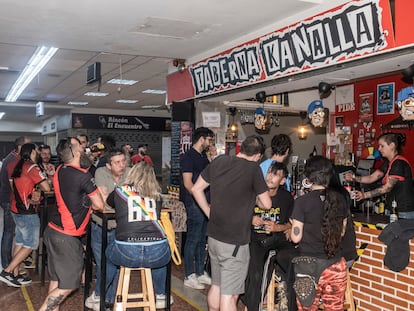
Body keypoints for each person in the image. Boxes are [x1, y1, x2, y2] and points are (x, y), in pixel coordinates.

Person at [191, 135, 272, 311]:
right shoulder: (253, 169)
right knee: (230, 295)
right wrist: (255, 198)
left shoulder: (219, 161)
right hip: (234, 243)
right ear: (258, 156)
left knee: (217, 285)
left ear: (240, 148)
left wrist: (208, 212)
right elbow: (267, 204)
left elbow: (196, 189)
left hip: (214, 237)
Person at [39, 137, 105, 311]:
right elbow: (99, 205)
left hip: (52, 231)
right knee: (68, 284)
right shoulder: (83, 176)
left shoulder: (61, 169)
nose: (85, 149)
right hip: (66, 236)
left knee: (56, 279)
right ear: (75, 152)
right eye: (81, 146)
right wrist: (99, 194)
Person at [105, 162, 172, 309]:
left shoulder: (120, 191)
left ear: (132, 174)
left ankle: (99, 295)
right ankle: (161, 294)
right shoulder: (158, 195)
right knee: (162, 253)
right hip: (157, 253)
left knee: (108, 256)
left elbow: (109, 203)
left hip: (126, 252)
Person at [290, 155, 348, 310]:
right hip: (335, 264)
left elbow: (296, 238)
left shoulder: (302, 202)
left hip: (307, 267)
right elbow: (341, 233)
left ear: (308, 177)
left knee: (307, 308)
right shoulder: (340, 200)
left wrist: (291, 225)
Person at [243, 161, 295, 311]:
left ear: (283, 180)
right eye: (269, 173)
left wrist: (278, 227)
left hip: (278, 240)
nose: (270, 177)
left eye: (276, 175)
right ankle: (253, 305)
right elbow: (237, 214)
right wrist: (250, 219)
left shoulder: (286, 198)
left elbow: (292, 224)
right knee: (256, 272)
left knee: (295, 263)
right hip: (256, 239)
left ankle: (287, 304)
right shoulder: (253, 194)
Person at [85, 148, 130, 311]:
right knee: (105, 264)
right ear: (109, 165)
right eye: (117, 162)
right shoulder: (100, 173)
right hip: (100, 226)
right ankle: (100, 297)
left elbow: (117, 199)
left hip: (121, 228)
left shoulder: (130, 173)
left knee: (117, 265)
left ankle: (106, 301)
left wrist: (111, 197)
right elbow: (104, 204)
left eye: (123, 161)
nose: (121, 165)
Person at [0, 143, 50, 287]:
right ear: (33, 152)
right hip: (28, 211)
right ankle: (7, 272)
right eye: (37, 151)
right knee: (31, 244)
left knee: (21, 242)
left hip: (16, 208)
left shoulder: (17, 165)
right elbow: (46, 187)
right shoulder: (32, 167)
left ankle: (15, 274)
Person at [344, 132, 414, 219]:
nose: (379, 149)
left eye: (382, 146)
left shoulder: (398, 163)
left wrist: (364, 195)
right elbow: (371, 178)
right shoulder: (388, 163)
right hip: (392, 208)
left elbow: (387, 187)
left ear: (392, 145)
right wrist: (354, 177)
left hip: (403, 211)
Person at [181, 127, 214, 290]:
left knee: (202, 239)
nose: (210, 143)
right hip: (195, 203)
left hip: (206, 203)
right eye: (209, 140)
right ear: (202, 139)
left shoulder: (203, 157)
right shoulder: (188, 157)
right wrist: (199, 199)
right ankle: (189, 274)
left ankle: (200, 272)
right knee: (193, 238)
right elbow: (188, 183)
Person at [0, 136, 31, 269]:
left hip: (8, 199)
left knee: (14, 232)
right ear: (21, 146)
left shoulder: (14, 157)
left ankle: (15, 261)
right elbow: (14, 183)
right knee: (9, 232)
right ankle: (7, 265)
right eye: (29, 145)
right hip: (9, 200)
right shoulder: (13, 160)